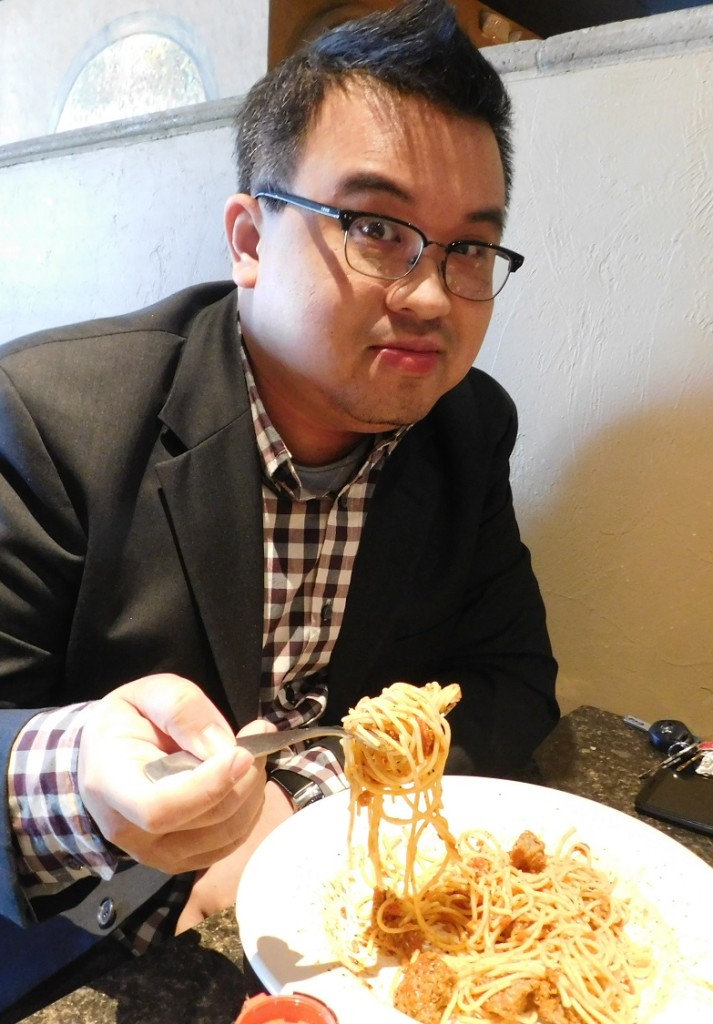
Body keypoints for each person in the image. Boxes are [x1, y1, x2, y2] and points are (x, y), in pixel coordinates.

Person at [0, 0, 558, 1013]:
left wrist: (304, 803)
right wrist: (78, 775)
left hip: (337, 929)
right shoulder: (48, 417)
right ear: (251, 238)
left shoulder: (464, 425)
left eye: (469, 249)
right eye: (376, 229)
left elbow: (511, 676)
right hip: (72, 955)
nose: (431, 296)